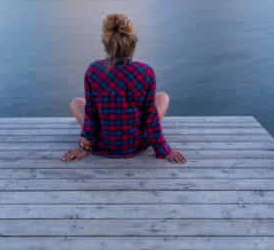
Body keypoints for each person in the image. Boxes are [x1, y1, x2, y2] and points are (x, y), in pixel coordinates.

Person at [62, 13, 187, 164]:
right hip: (135, 144)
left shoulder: (93, 71)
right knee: (163, 97)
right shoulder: (146, 72)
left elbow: (91, 115)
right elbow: (151, 117)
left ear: (106, 44)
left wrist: (84, 146)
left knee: (76, 102)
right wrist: (164, 150)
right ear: (133, 43)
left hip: (103, 143)